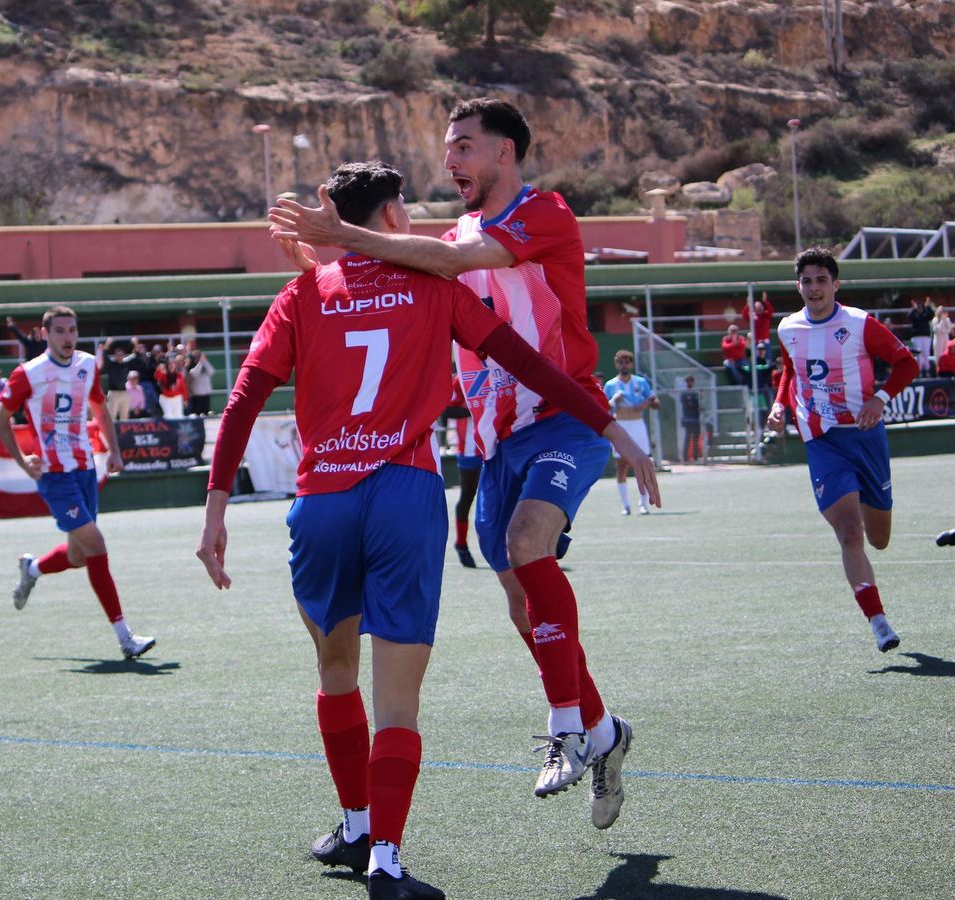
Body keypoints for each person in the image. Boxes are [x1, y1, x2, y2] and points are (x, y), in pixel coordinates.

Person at [202, 161, 649, 900]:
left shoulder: (302, 293)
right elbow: (525, 361)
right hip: (405, 496)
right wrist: (611, 428)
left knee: (335, 674)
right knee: (398, 702)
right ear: (391, 217)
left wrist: (217, 505)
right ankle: (384, 859)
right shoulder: (432, 286)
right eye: (405, 206)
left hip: (322, 500)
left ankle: (352, 821)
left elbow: (246, 395)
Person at [270, 99, 656, 823]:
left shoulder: (543, 214)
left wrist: (612, 428)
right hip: (496, 438)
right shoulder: (444, 236)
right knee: (522, 602)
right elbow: (386, 281)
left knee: (524, 546)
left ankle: (566, 724)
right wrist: (321, 260)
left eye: (465, 146)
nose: (451, 160)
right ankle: (605, 734)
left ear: (506, 152)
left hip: (560, 417)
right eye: (447, 148)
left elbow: (444, 262)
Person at [766, 249, 919, 654]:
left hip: (865, 437)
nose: (813, 288)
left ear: (836, 284)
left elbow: (906, 364)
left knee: (879, 538)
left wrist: (880, 398)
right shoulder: (788, 328)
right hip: (821, 439)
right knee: (850, 533)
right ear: (797, 286)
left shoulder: (859, 324)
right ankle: (878, 621)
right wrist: (780, 405)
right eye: (806, 281)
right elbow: (790, 372)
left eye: (821, 280)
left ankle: (870, 524)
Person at [0, 307, 153, 661]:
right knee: (96, 546)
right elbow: (0, 418)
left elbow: (99, 410)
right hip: (54, 476)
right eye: (60, 331)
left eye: (72, 330)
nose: (68, 337)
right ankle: (125, 637)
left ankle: (32, 569)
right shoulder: (29, 373)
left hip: (85, 470)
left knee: (78, 555)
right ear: (45, 335)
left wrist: (113, 450)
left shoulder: (87, 365)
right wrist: (23, 462)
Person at [603, 350, 659, 515]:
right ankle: (625, 504)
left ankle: (644, 504)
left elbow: (655, 401)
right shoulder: (611, 385)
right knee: (621, 465)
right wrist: (613, 401)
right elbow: (603, 406)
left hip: (637, 425)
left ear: (632, 364)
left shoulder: (640, 382)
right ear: (616, 364)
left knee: (642, 462)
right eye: (621, 362)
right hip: (620, 425)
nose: (624, 365)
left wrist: (645, 404)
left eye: (627, 362)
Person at [447, 384, 481, 569]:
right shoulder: (461, 378)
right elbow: (446, 409)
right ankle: (461, 544)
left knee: (504, 496)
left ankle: (506, 545)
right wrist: (475, 409)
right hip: (469, 449)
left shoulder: (498, 371)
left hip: (495, 447)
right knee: (468, 496)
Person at [678, 375, 704, 462]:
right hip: (688, 419)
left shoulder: (696, 393)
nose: (689, 383)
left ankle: (695, 457)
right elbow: (689, 405)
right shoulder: (684, 394)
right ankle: (685, 458)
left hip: (696, 419)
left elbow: (700, 405)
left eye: (691, 381)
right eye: (688, 381)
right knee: (688, 438)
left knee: (696, 438)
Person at [908, 297, 934, 377]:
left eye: (921, 307)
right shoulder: (914, 314)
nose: (919, 309)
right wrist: (913, 309)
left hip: (926, 337)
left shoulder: (925, 314)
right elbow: (909, 317)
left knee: (926, 354)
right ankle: (918, 372)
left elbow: (932, 314)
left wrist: (928, 306)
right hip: (916, 337)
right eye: (918, 307)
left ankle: (927, 371)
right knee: (918, 355)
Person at [186, 350, 215, 416]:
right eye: (196, 357)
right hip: (197, 395)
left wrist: (204, 361)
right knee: (197, 414)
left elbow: (211, 371)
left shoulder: (205, 365)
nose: (198, 359)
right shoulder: (191, 368)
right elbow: (194, 373)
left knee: (206, 413)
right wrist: (201, 362)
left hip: (206, 394)